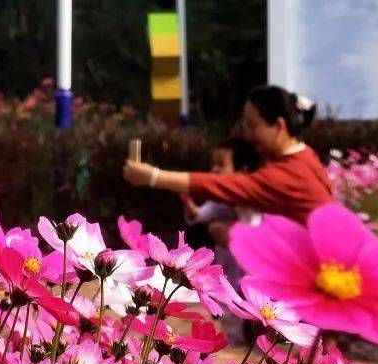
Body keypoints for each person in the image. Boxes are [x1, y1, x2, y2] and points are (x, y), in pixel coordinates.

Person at [123, 85, 333, 225]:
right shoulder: (304, 155)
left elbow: (223, 185)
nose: (247, 134)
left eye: (253, 126)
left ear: (278, 126)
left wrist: (153, 177)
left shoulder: (287, 174)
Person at [180, 137, 261, 345]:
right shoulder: (219, 198)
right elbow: (202, 214)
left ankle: (253, 342)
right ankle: (234, 341)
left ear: (242, 171)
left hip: (250, 267)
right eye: (213, 164)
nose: (214, 169)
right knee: (228, 305)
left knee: (251, 306)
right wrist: (192, 209)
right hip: (229, 266)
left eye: (221, 164)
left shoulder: (252, 198)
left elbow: (253, 227)